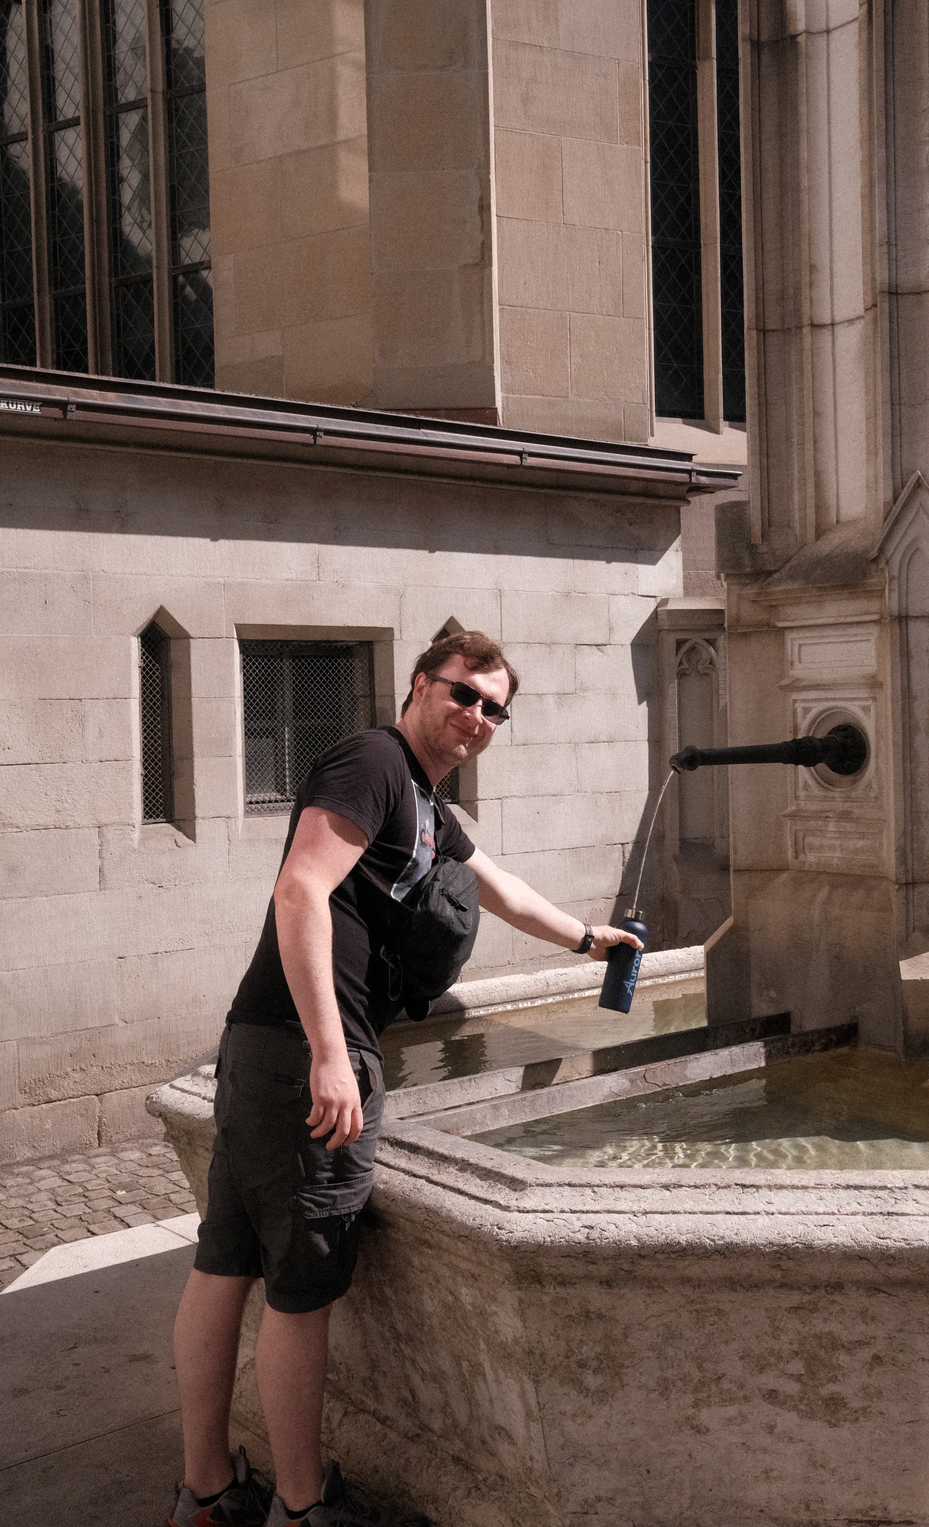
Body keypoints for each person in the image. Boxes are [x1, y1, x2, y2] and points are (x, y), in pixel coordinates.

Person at [169, 631, 643, 1527]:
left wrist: (589, 938)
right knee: (301, 1293)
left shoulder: (425, 802)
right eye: (464, 694)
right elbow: (302, 891)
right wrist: (331, 1053)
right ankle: (304, 1508)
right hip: (305, 1051)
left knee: (225, 1262)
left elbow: (496, 886)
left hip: (262, 1043)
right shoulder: (374, 761)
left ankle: (207, 1490)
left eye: (495, 709)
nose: (477, 716)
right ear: (421, 683)